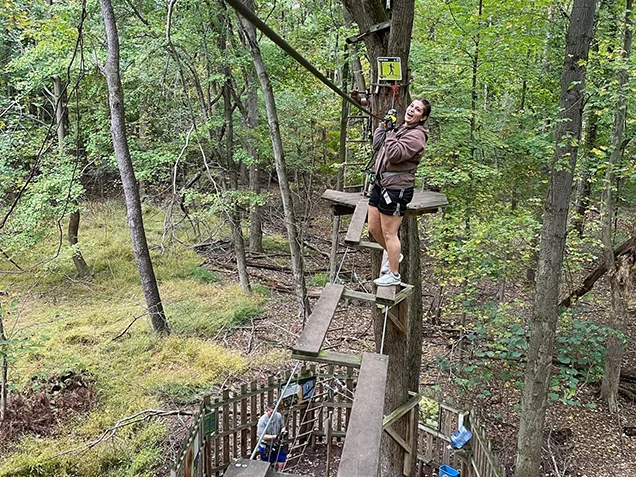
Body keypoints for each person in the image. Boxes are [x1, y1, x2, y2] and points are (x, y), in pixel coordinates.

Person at [368, 98, 431, 286]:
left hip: (397, 189)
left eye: (417, 109)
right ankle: (395, 253)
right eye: (412, 106)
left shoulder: (417, 136)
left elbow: (395, 154)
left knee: (390, 233)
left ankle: (394, 275)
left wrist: (390, 133)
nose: (412, 110)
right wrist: (383, 126)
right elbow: (378, 145)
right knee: (373, 227)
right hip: (381, 184)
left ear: (423, 117)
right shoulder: (402, 128)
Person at [257, 403, 287, 470]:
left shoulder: (278, 416)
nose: (273, 414)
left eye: (274, 412)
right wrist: (274, 436)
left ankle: (279, 472)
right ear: (266, 411)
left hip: (277, 443)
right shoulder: (262, 420)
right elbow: (262, 436)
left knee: (282, 460)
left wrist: (283, 432)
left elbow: (283, 426)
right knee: (267, 464)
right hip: (266, 445)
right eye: (271, 413)